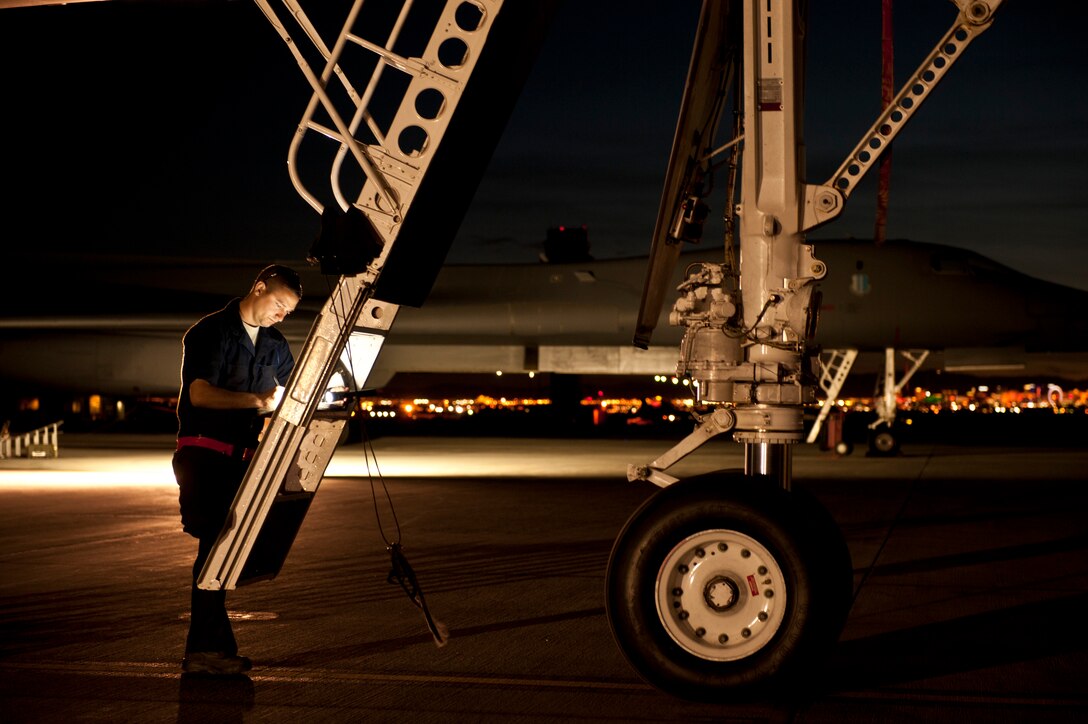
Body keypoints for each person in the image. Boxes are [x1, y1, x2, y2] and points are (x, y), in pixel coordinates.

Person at [172, 263, 303, 675]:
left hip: (243, 462)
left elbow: (296, 388)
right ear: (259, 287)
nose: (281, 315)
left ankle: (211, 650)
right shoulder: (210, 332)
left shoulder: (276, 345)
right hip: (204, 457)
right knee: (214, 546)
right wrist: (258, 403)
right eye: (279, 304)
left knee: (224, 550)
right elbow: (199, 394)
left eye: (288, 312)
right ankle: (207, 651)